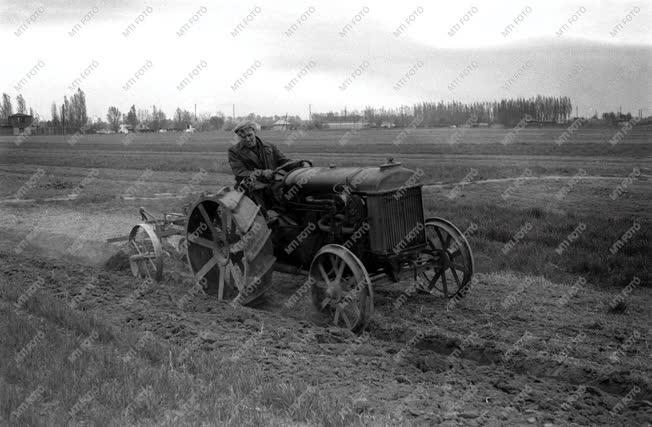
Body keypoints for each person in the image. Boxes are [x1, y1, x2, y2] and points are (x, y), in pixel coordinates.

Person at [228, 120, 291, 218]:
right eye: (243, 137)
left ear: (254, 132)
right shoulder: (234, 152)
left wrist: (300, 164)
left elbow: (284, 161)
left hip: (271, 182)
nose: (248, 139)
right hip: (249, 186)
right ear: (239, 137)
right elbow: (240, 172)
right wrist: (261, 173)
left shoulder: (269, 146)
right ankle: (263, 220)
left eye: (250, 135)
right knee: (257, 188)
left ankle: (288, 216)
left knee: (289, 185)